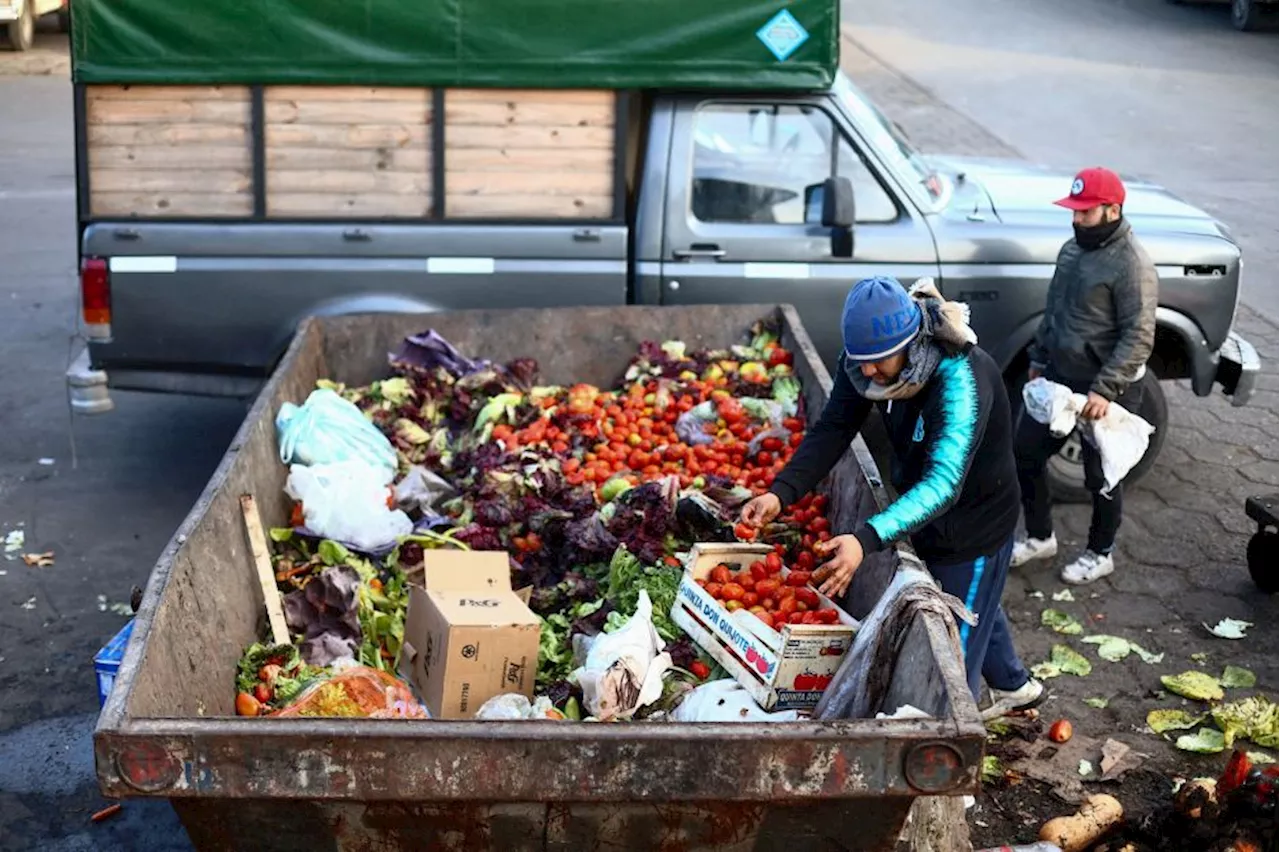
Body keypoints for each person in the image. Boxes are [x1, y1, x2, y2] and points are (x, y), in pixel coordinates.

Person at [740, 275, 1043, 718]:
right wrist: (780, 493)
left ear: (911, 342)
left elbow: (943, 485)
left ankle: (949, 745)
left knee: (948, 660)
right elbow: (834, 427)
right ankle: (1015, 686)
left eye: (877, 363)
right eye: (860, 362)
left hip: (972, 525)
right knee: (976, 602)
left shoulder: (960, 381)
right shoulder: (866, 358)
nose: (866, 372)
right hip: (920, 509)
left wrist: (864, 540)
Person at [1011, 167, 1158, 585]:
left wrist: (1105, 390)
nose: (1076, 219)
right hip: (1059, 376)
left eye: (1086, 212)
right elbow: (1054, 309)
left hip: (1107, 389)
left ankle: (1100, 552)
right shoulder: (1071, 250)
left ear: (1112, 210)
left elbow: (1139, 334)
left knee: (1102, 476)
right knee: (1026, 453)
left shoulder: (1133, 264)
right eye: (1073, 211)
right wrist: (1038, 358)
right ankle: (1040, 536)